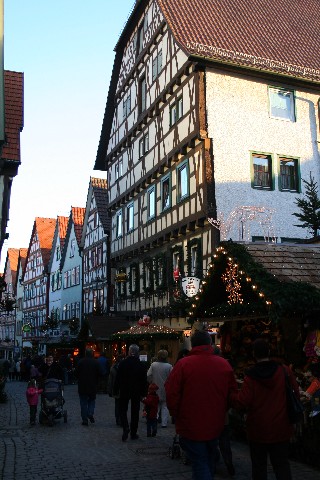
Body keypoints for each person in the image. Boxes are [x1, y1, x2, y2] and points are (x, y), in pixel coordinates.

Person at [165, 330, 237, 480]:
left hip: (190, 423)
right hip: (216, 422)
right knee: (209, 458)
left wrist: (175, 414)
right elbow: (232, 394)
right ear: (210, 343)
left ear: (193, 344)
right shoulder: (224, 365)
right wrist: (223, 410)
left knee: (200, 462)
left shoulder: (183, 365)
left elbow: (172, 393)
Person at [230, 338, 299, 480]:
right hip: (281, 426)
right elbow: (295, 394)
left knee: (259, 467)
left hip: (257, 428)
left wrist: (231, 395)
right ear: (269, 351)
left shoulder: (251, 376)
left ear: (254, 354)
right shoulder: (283, 370)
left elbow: (243, 401)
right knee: (281, 465)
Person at [117, 344, 148, 441]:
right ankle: (133, 432)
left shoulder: (123, 363)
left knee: (122, 410)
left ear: (129, 352)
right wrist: (144, 393)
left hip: (124, 389)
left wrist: (116, 389)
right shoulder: (141, 365)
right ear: (137, 353)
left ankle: (125, 426)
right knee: (135, 411)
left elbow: (118, 378)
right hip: (136, 390)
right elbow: (144, 380)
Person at [147, 349, 172, 427]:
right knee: (165, 406)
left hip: (155, 388)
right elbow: (172, 377)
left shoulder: (154, 365)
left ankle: (155, 419)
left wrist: (151, 382)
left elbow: (148, 375)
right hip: (165, 388)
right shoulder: (169, 366)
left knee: (155, 405)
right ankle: (164, 423)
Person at [76, 349, 100, 426]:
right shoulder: (95, 362)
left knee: (83, 403)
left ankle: (84, 419)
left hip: (82, 386)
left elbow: (76, 373)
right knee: (92, 401)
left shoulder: (81, 362)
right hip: (92, 385)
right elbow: (101, 373)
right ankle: (90, 413)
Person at [107, 354, 124, 426]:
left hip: (116, 389)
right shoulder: (125, 367)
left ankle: (118, 418)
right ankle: (122, 418)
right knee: (123, 405)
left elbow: (110, 381)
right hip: (123, 389)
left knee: (117, 404)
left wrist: (110, 390)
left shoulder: (113, 368)